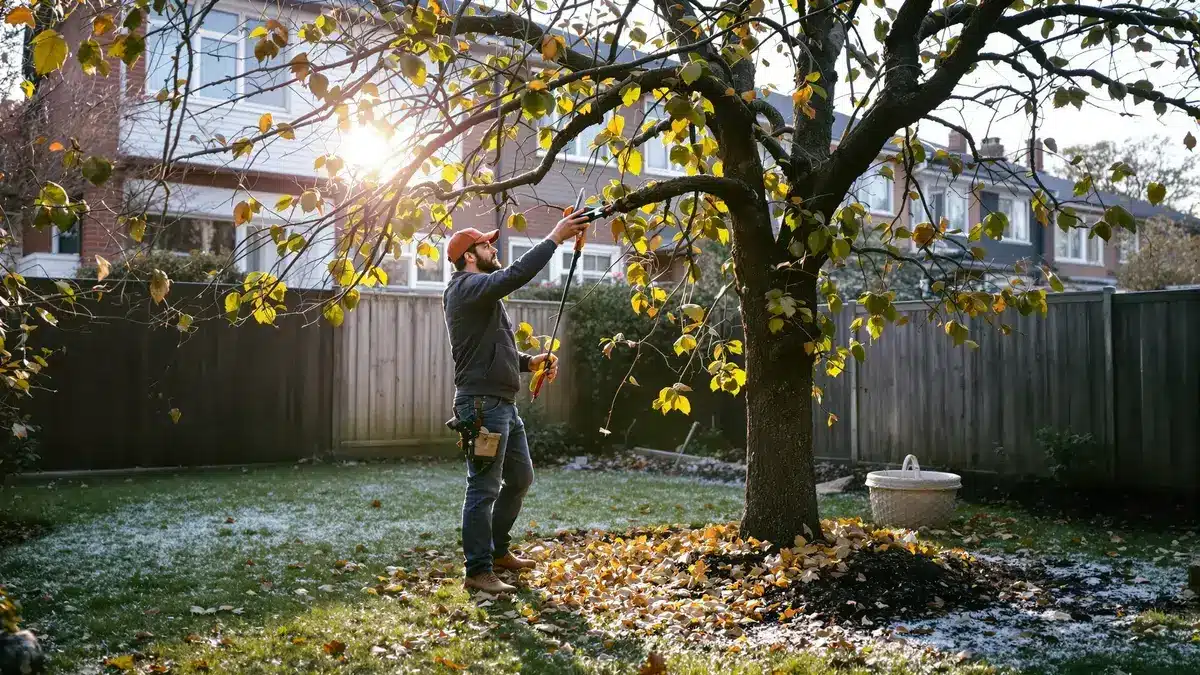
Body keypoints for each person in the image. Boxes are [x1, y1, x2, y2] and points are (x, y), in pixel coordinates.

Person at [442, 211, 591, 594]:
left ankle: (496, 552)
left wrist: (529, 362)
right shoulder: (465, 287)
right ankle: (477, 570)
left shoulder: (480, 294)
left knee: (521, 478)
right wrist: (555, 237)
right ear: (469, 256)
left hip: (502, 405)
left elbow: (492, 348)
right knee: (483, 488)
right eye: (486, 245)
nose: (494, 249)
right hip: (481, 407)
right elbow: (514, 275)